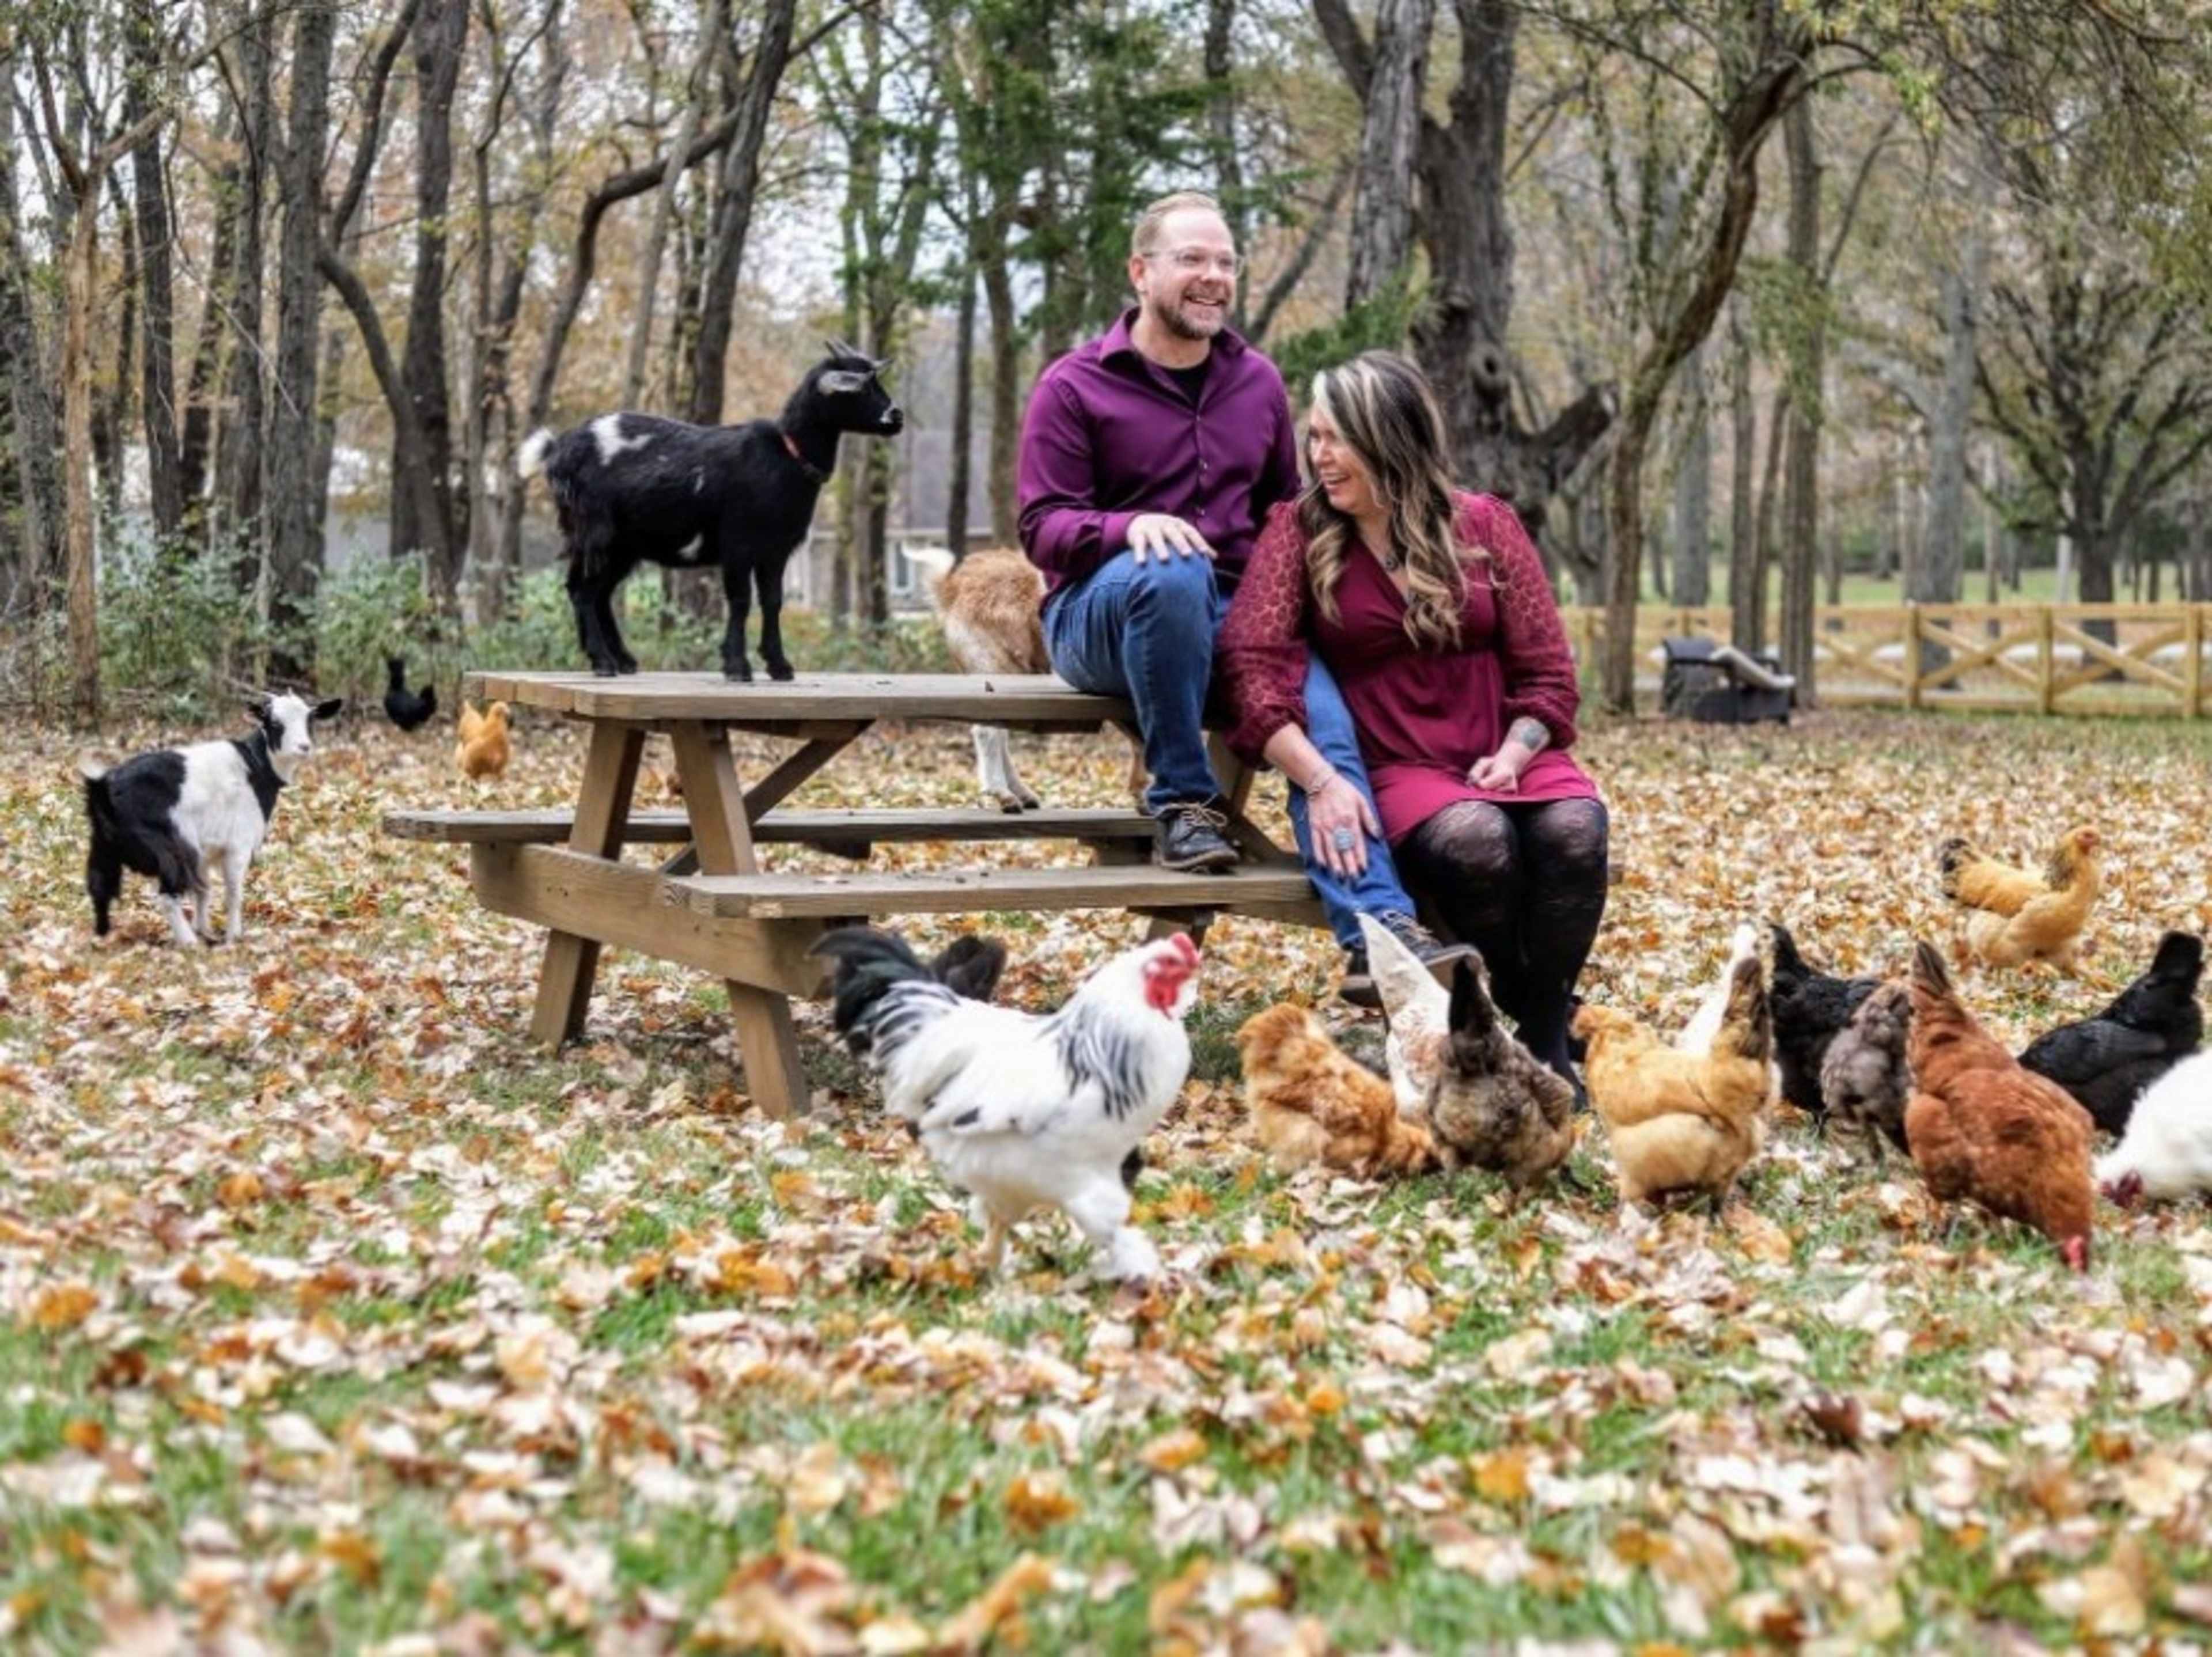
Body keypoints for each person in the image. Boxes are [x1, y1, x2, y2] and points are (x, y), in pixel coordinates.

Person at [1017, 191, 1465, 1006]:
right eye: (1192, 259)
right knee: (1173, 570)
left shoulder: (1255, 383)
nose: (1212, 277)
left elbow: (1282, 520)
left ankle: (1378, 934)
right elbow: (1042, 528)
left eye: (1225, 262)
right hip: (1096, 614)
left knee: (1320, 727)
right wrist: (1130, 528)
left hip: (1233, 615)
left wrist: (1305, 621)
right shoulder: (1075, 385)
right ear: (1141, 271)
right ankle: (1185, 801)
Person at [1217, 351, 1609, 1088]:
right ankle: (1539, 1015)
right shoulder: (1299, 532)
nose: (1319, 457)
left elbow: (1549, 669)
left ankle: (1544, 1029)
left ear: (1387, 438)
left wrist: (1518, 752)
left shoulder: (1484, 524)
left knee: (1576, 831)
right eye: (1314, 438)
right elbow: (1251, 667)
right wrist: (1317, 775)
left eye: (1336, 438)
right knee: (1478, 839)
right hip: (1396, 759)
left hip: (1499, 743)